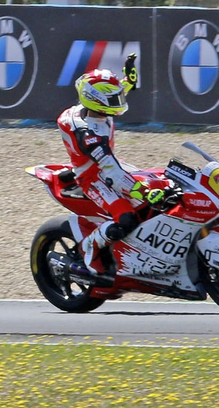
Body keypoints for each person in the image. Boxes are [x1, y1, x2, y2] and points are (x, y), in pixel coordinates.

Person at [56, 53, 178, 281]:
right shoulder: (88, 134)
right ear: (96, 101)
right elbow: (112, 172)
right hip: (93, 177)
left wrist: (129, 80)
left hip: (111, 163)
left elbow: (114, 92)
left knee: (166, 183)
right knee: (127, 218)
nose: (119, 101)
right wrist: (144, 192)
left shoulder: (97, 107)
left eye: (118, 97)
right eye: (114, 99)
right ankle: (90, 249)